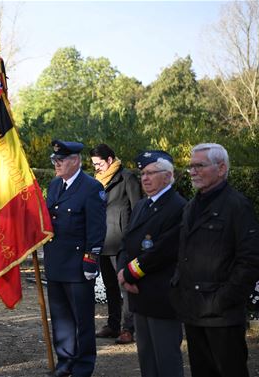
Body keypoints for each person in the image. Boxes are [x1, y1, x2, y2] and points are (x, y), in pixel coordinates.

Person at [169, 143, 259, 377]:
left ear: (221, 168)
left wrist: (222, 299)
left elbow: (253, 258)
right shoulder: (192, 205)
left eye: (199, 166)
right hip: (194, 311)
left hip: (222, 316)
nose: (192, 171)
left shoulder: (236, 205)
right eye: (191, 166)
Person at [117, 150, 186, 377]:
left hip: (161, 294)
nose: (145, 178)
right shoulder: (142, 206)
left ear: (168, 176)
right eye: (142, 173)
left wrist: (128, 274)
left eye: (151, 173)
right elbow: (128, 241)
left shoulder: (177, 207)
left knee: (166, 360)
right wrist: (123, 273)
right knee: (147, 358)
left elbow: (162, 251)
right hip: (139, 295)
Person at [43, 139, 107, 377]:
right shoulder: (55, 185)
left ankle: (83, 365)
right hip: (56, 262)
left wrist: (91, 259)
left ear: (75, 161)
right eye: (54, 160)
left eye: (60, 161)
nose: (56, 164)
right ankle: (65, 362)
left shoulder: (91, 187)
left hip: (78, 265)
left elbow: (97, 228)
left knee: (82, 320)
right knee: (61, 319)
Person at [89, 144, 141, 345]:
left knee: (124, 285)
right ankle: (113, 325)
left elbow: (138, 210)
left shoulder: (127, 178)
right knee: (109, 285)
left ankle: (128, 329)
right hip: (102, 240)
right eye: (94, 164)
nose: (96, 168)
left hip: (121, 242)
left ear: (110, 160)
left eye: (99, 163)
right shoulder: (95, 181)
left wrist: (131, 239)